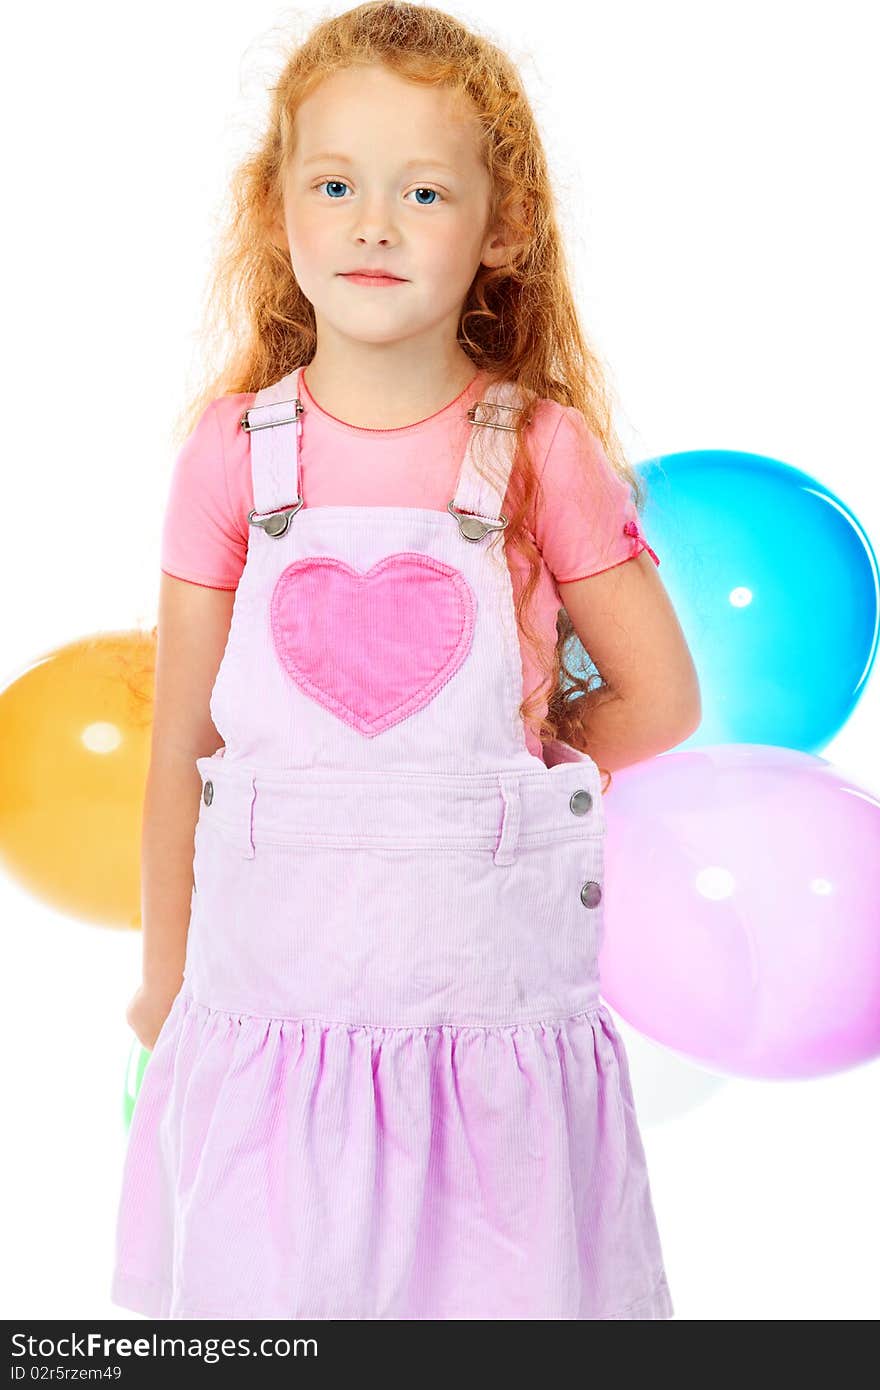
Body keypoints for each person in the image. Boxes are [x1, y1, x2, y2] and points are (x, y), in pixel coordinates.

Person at [110, 0, 700, 1321]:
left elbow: (661, 693)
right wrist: (164, 994)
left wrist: (526, 765)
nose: (373, 222)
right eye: (336, 184)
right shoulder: (231, 454)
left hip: (481, 1033)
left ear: (500, 229)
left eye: (423, 191)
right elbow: (184, 747)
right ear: (279, 212)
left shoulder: (536, 451)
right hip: (271, 1023)